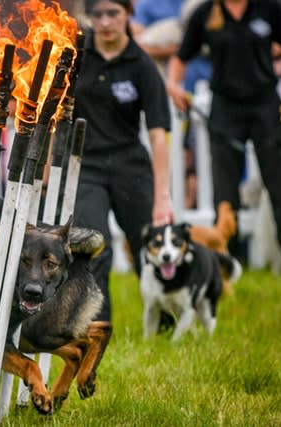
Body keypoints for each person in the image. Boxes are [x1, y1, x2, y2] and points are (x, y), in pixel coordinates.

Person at [71, 0, 174, 380]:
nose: (105, 22)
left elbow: (159, 133)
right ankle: (99, 334)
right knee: (94, 248)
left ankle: (165, 324)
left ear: (128, 14)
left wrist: (163, 198)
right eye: (97, 15)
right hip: (88, 166)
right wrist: (50, 163)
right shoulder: (78, 54)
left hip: (131, 165)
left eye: (113, 13)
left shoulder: (142, 65)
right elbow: (55, 110)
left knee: (150, 249)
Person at [166, 0, 281, 268]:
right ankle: (229, 266)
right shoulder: (205, 13)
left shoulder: (270, 9)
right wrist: (173, 86)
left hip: (265, 108)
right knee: (224, 196)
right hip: (225, 111)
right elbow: (180, 57)